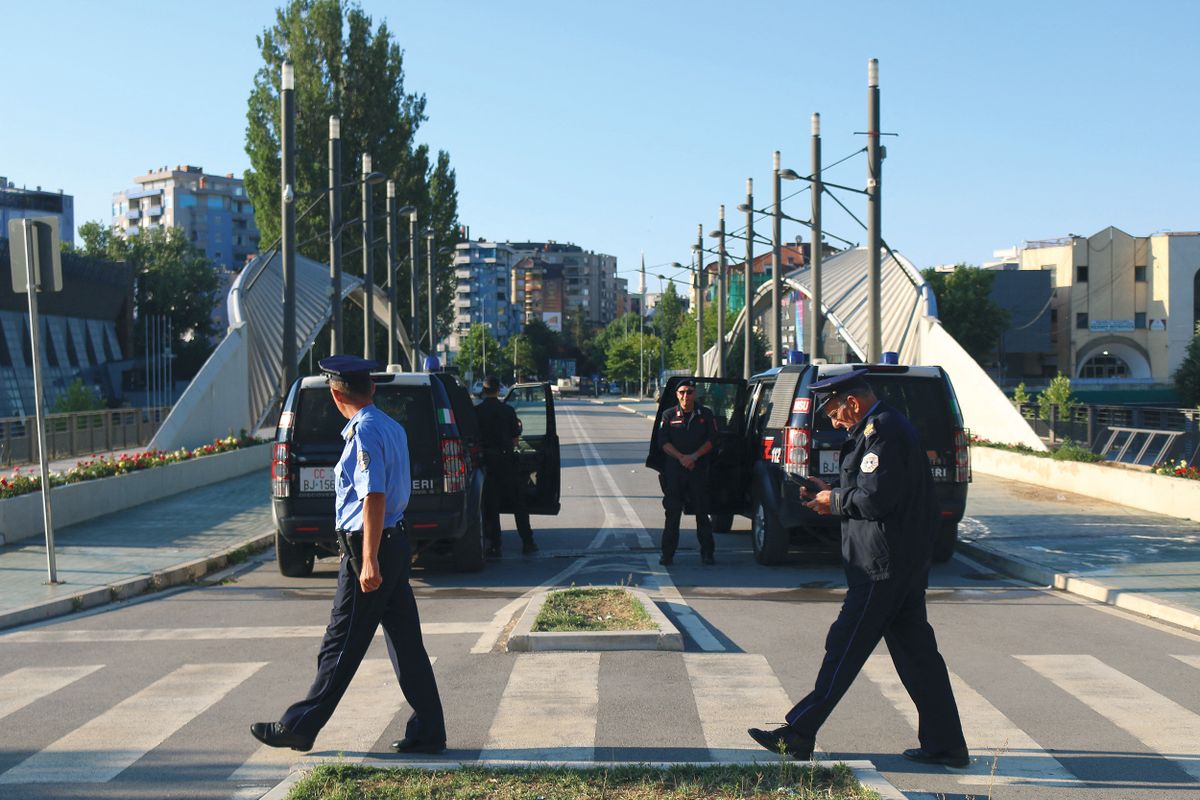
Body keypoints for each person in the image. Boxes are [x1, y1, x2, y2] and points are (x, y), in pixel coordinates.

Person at [747, 368, 969, 767]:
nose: (831, 421)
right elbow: (868, 492)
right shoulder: (877, 429)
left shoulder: (882, 433)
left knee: (844, 646)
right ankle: (946, 744)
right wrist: (827, 492)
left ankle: (799, 732)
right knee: (919, 658)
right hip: (896, 561)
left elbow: (874, 500)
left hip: (882, 565)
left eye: (832, 412)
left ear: (852, 402)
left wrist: (832, 501)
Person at [251, 355, 446, 755]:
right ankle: (429, 729)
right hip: (392, 541)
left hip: (369, 547)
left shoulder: (365, 433)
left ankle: (300, 726)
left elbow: (373, 495)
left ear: (336, 394)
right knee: (406, 644)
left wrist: (368, 558)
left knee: (340, 643)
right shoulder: (390, 426)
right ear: (371, 389)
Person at [474, 375, 536, 557]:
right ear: (498, 390)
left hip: (487, 464)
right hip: (507, 462)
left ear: (483, 391)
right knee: (519, 504)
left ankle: (495, 545)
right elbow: (516, 440)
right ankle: (528, 542)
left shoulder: (477, 412)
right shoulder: (508, 411)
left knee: (491, 506)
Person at [657, 378, 717, 566]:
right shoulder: (668, 415)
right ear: (677, 394)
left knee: (702, 513)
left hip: (697, 470)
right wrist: (682, 458)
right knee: (673, 515)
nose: (685, 396)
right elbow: (663, 442)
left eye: (689, 392)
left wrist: (694, 457)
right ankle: (667, 555)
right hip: (675, 472)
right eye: (682, 392)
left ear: (695, 394)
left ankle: (707, 553)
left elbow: (712, 440)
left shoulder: (705, 414)